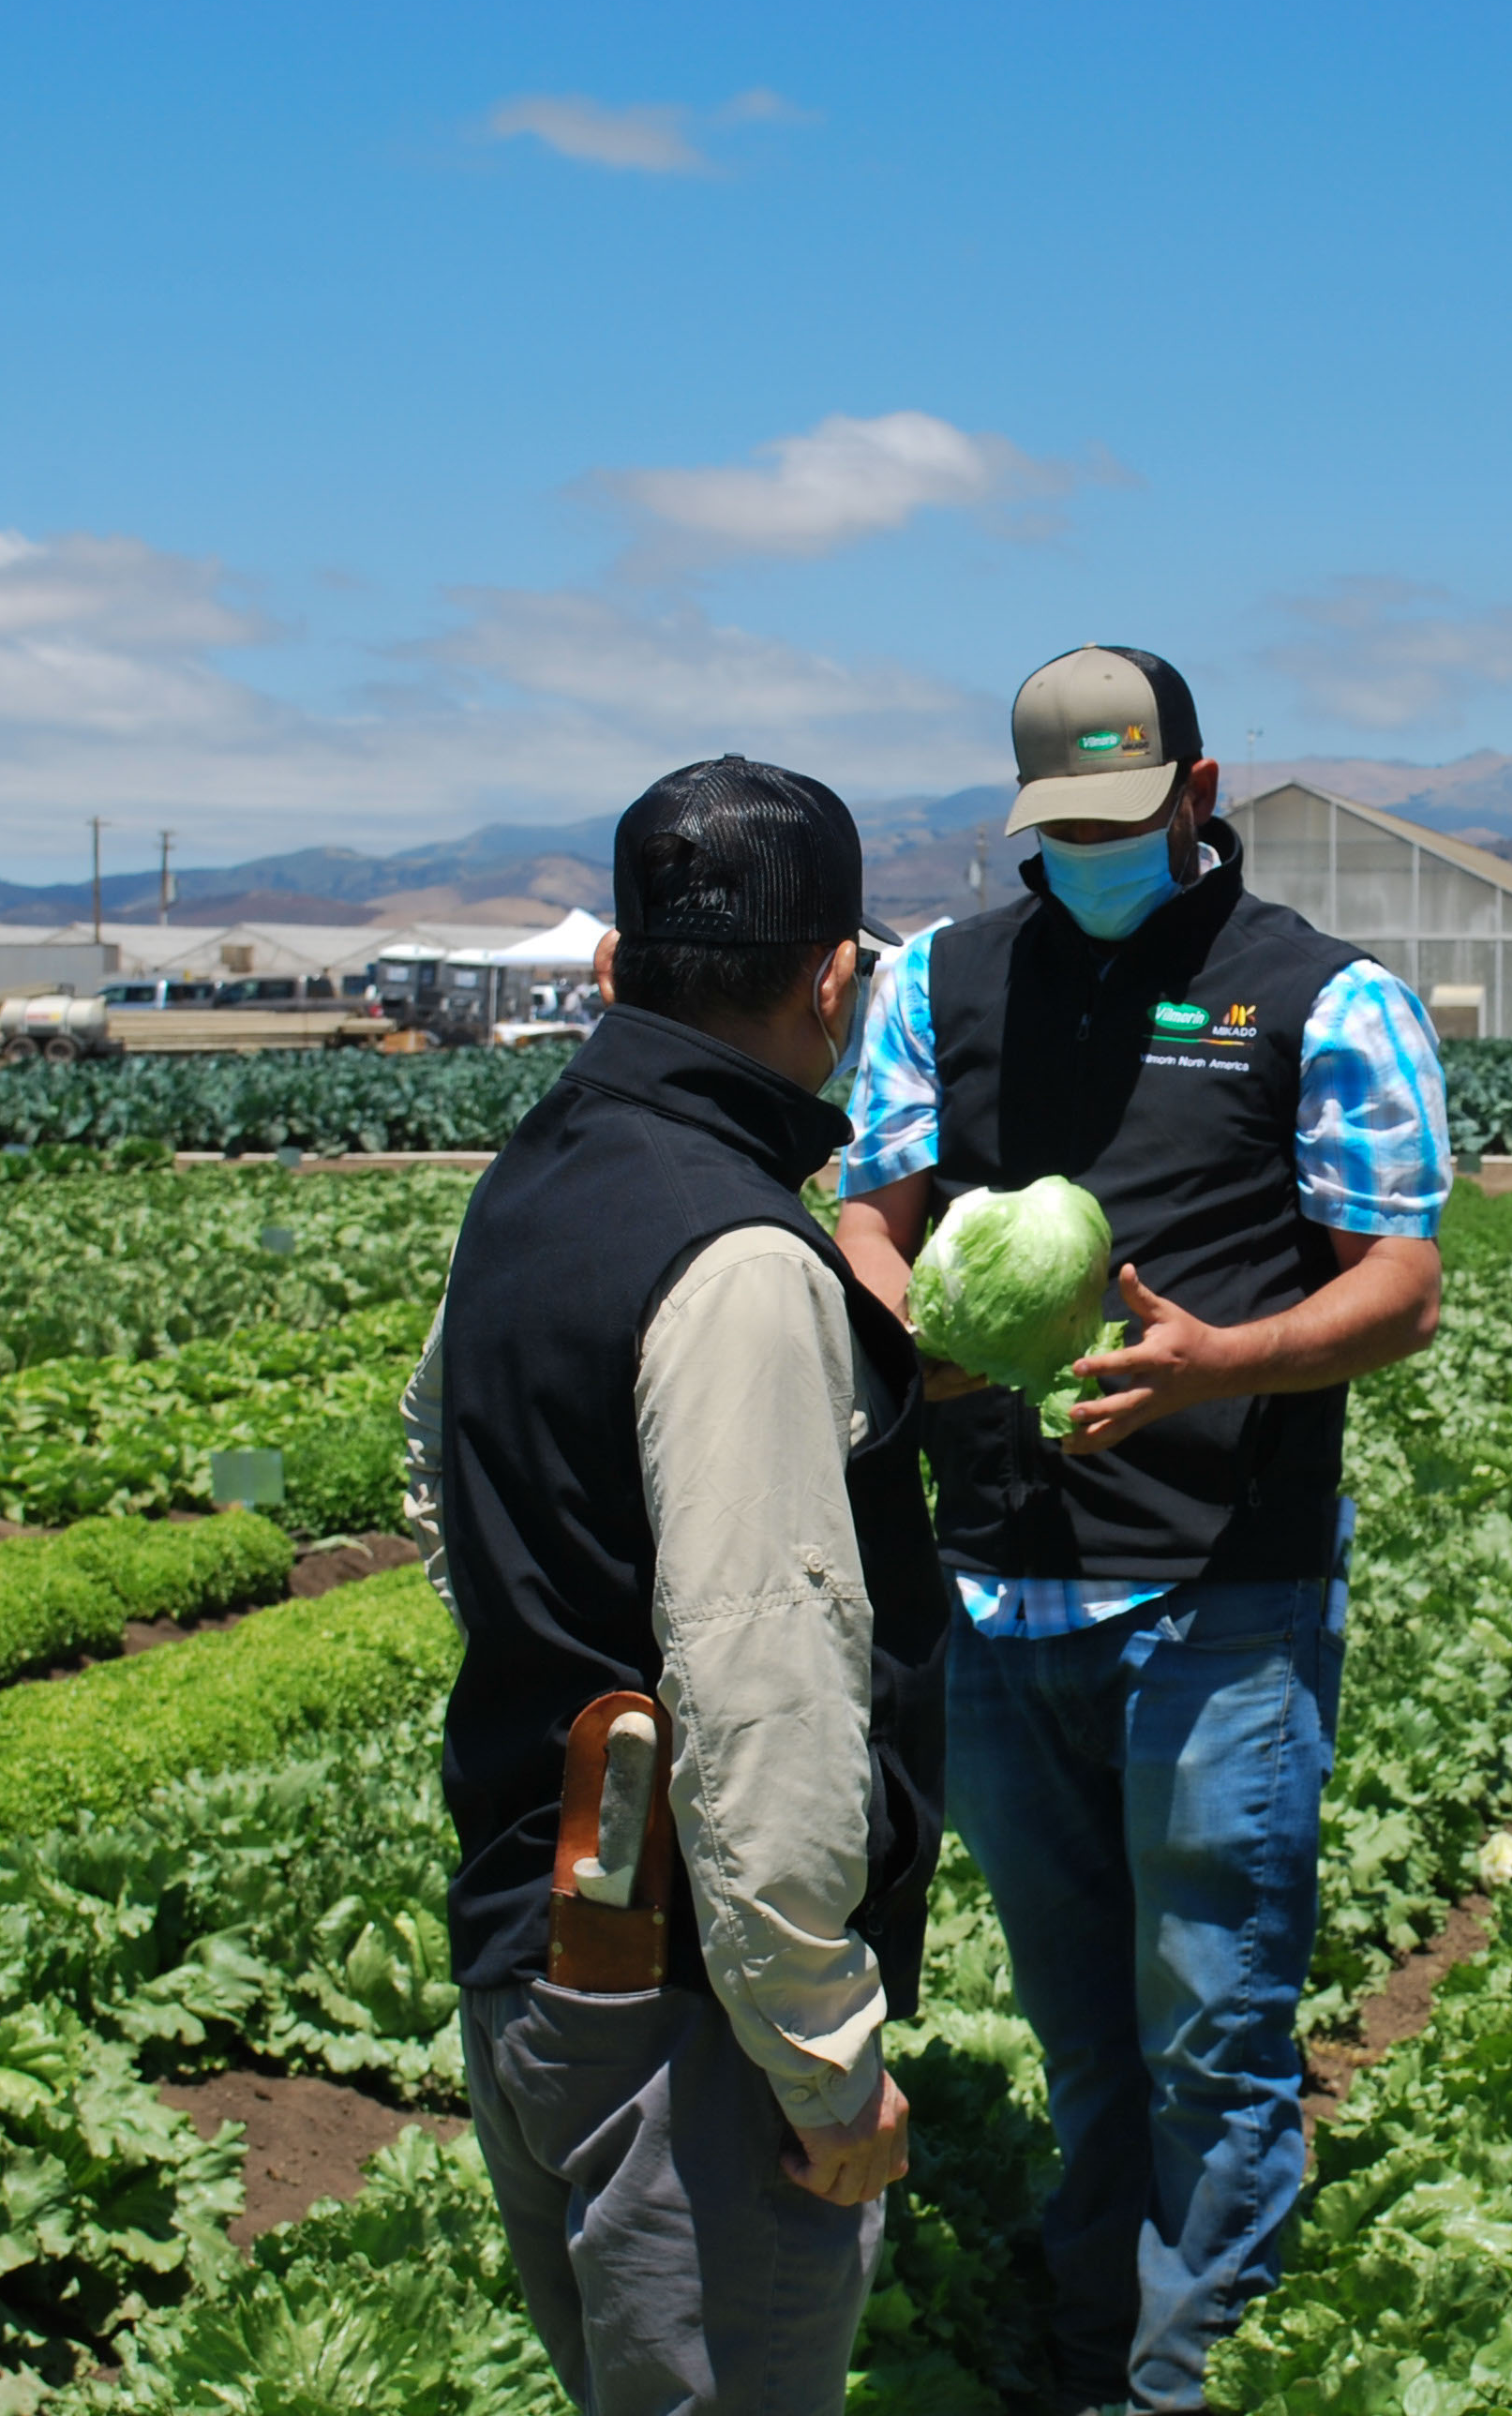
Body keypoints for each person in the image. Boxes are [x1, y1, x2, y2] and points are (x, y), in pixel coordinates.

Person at [831, 645, 1447, 2415]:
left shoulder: (1322, 997)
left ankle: (1192, 2381)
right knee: (1085, 2032)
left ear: (1199, 789)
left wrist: (1219, 1362)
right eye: (1064, 825)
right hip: (995, 1586)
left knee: (1213, 2029)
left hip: (1219, 1593)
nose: (1091, 852)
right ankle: (1093, 2344)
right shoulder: (936, 981)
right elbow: (870, 1212)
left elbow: (1400, 1287)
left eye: (1124, 816)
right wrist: (920, 1328)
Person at [402, 757, 951, 2414]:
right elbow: (763, 1692)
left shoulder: (527, 1182)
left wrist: (565, 1635)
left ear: (612, 967)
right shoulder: (741, 1257)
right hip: (689, 2014)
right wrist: (826, 2054)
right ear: (834, 981)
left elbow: (440, 1479)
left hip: (533, 1948)